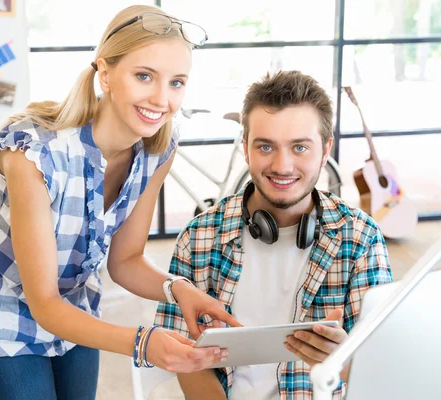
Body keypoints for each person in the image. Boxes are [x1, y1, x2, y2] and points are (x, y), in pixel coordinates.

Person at [0, 5, 240, 400]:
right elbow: (44, 303)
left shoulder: (158, 149)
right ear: (105, 74)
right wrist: (143, 342)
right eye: (144, 76)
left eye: (177, 82)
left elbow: (125, 261)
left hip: (72, 298)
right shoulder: (35, 155)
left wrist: (179, 288)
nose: (161, 98)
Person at [154, 71, 393, 399]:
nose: (283, 166)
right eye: (266, 146)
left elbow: (383, 370)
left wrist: (343, 360)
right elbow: (184, 360)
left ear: (325, 151)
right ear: (246, 149)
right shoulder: (198, 238)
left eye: (299, 147)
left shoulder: (361, 239)